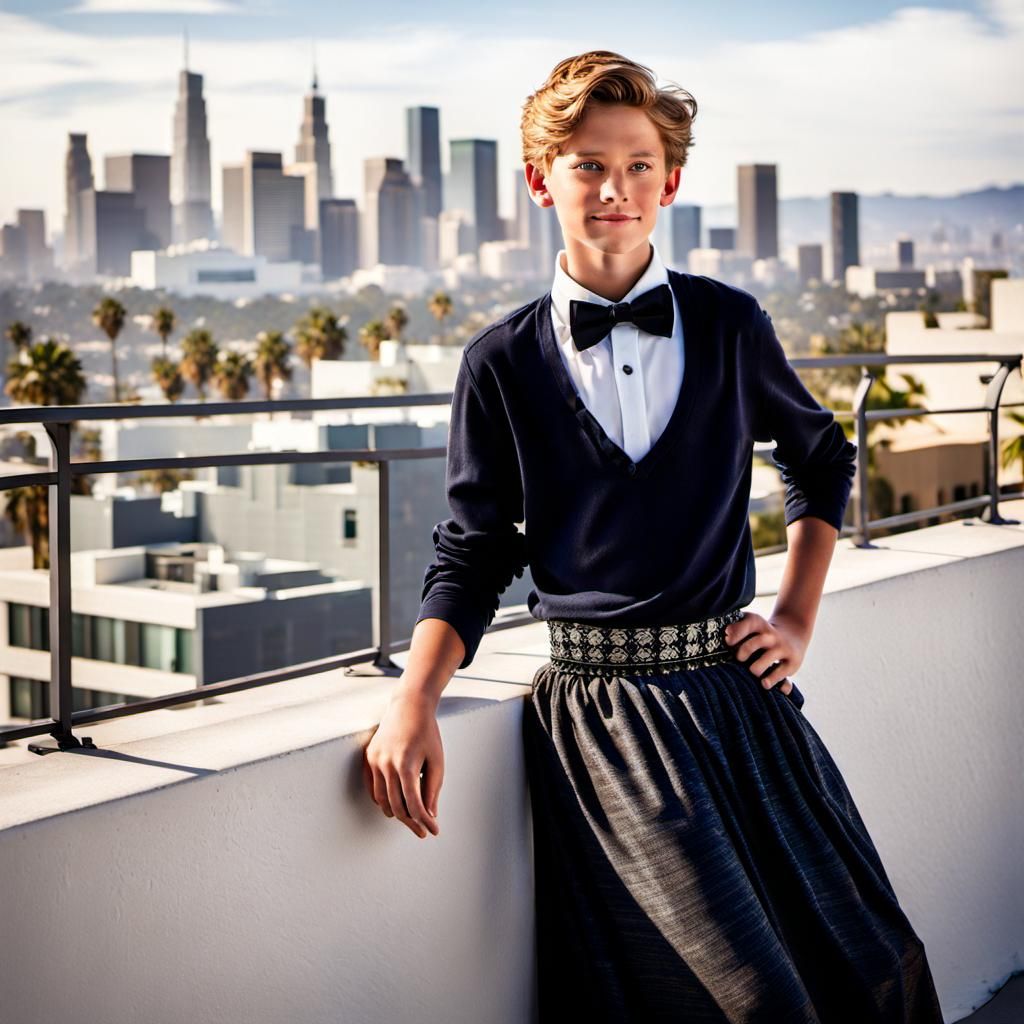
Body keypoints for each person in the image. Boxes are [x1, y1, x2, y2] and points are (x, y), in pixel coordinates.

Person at [362, 49, 944, 1023]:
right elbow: (475, 547)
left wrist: (796, 619)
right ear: (540, 181)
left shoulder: (729, 324)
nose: (614, 188)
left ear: (669, 183)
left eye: (638, 166)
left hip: (744, 700)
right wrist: (413, 698)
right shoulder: (499, 363)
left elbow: (820, 457)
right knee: (746, 995)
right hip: (611, 725)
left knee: (871, 958)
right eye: (588, 166)